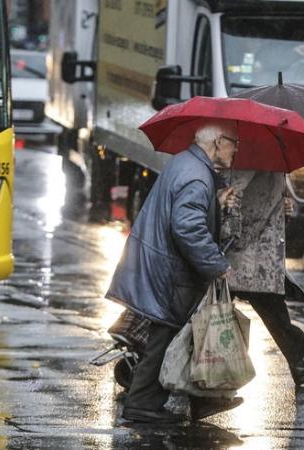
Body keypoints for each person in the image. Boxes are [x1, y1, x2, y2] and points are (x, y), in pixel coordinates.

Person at [106, 119, 243, 424]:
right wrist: (217, 265)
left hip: (164, 265)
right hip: (171, 272)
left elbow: (185, 214)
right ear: (218, 142)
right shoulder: (197, 176)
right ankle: (143, 404)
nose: (236, 150)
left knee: (173, 335)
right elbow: (187, 228)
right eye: (234, 143)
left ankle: (189, 399)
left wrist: (216, 203)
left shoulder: (187, 164)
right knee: (166, 337)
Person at [220, 170, 304, 386]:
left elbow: (265, 197)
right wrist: (232, 231)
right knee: (213, 313)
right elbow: (232, 194)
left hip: (259, 253)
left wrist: (282, 209)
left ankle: (300, 361)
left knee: (271, 307)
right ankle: (300, 360)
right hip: (246, 250)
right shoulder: (254, 159)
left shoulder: (273, 165)